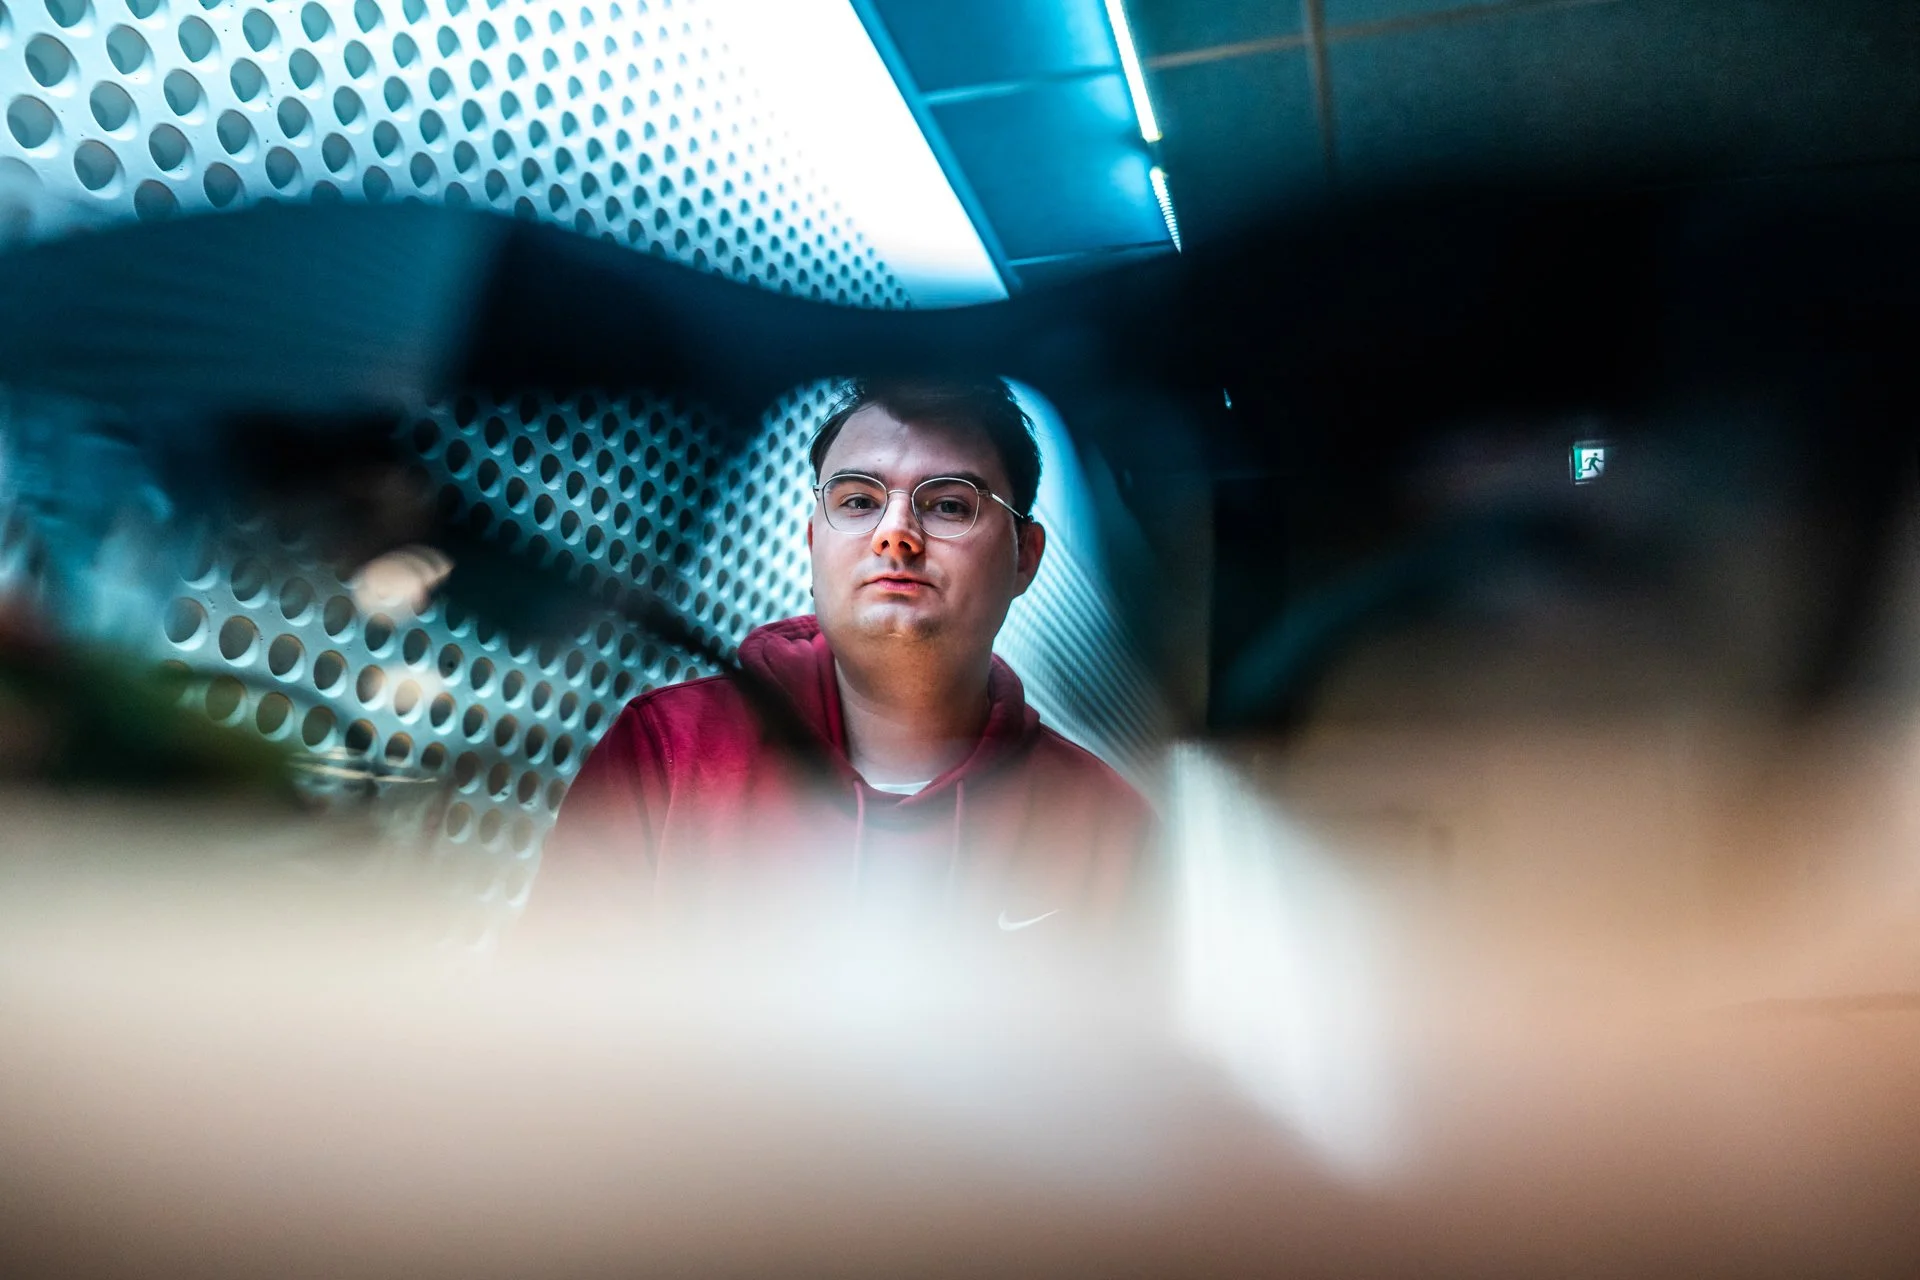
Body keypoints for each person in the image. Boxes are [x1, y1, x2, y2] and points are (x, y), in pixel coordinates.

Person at [526, 377, 1151, 939]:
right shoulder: (665, 754)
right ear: (812, 542)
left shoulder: (1110, 827)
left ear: (1025, 556)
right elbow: (549, 1037)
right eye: (858, 501)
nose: (895, 533)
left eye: (950, 504)